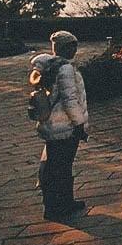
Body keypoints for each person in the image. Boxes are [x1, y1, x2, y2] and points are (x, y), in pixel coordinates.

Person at [35, 30, 89, 221]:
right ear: (64, 48)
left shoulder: (49, 66)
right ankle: (62, 205)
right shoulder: (65, 69)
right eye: (72, 45)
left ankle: (54, 205)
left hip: (52, 124)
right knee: (62, 167)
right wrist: (79, 124)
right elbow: (70, 100)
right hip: (65, 126)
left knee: (52, 166)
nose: (75, 49)